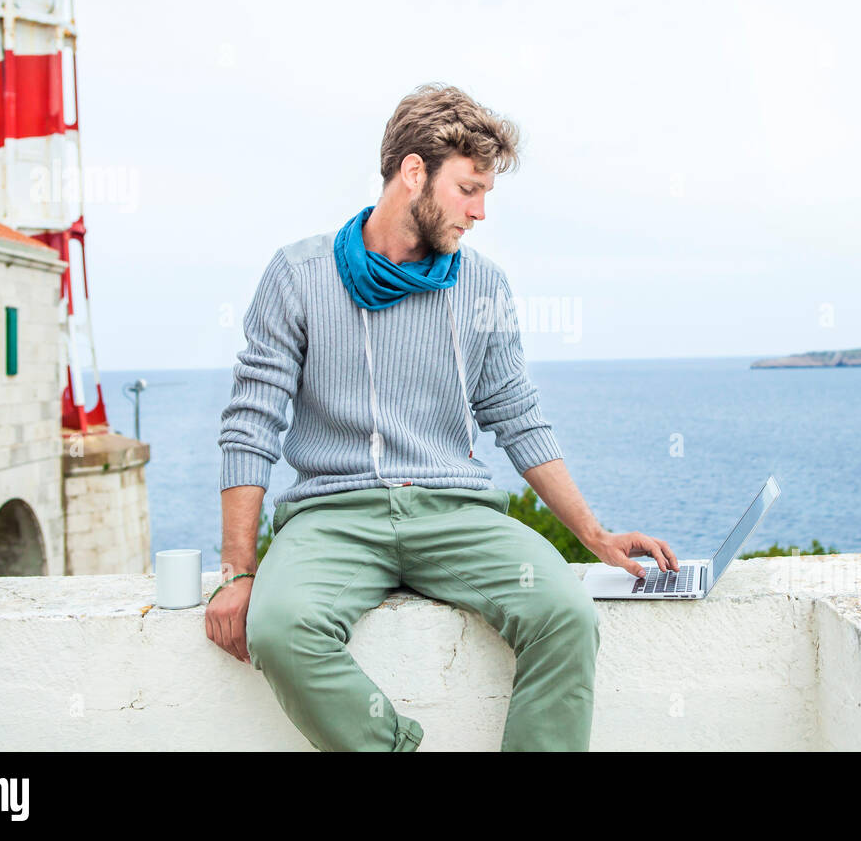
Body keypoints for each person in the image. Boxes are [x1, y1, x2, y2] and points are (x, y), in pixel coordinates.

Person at [206, 83, 678, 751]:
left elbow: (517, 415)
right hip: (332, 518)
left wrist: (596, 536)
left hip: (456, 515)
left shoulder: (483, 285)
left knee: (565, 615)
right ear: (413, 172)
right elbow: (251, 424)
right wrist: (238, 569)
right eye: (469, 188)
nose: (481, 212)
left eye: (488, 193)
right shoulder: (296, 275)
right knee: (279, 629)